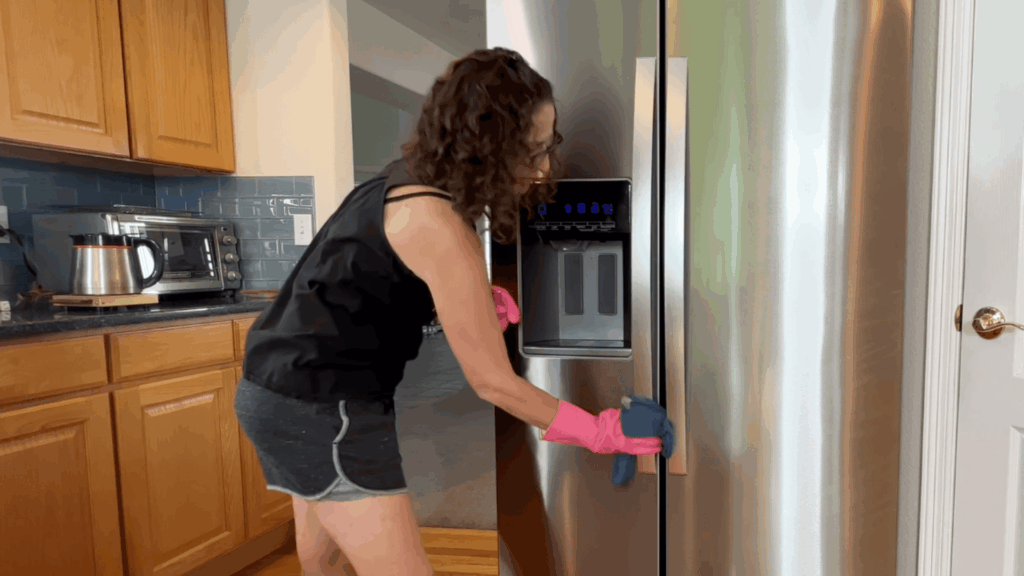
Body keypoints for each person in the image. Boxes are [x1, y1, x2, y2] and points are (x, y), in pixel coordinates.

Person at [233, 47, 665, 576]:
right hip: (325, 409)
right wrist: (600, 430)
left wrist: (467, 302)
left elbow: (365, 293)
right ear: (485, 149)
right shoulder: (436, 222)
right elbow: (494, 384)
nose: (545, 167)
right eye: (531, 153)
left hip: (274, 388)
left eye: (547, 146)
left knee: (324, 556)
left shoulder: (402, 180)